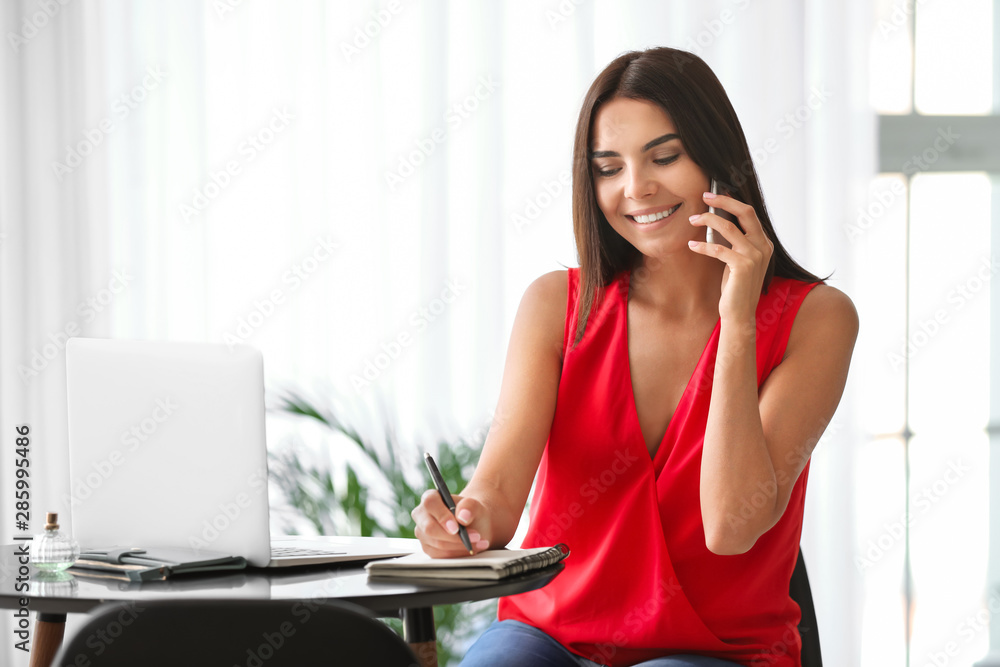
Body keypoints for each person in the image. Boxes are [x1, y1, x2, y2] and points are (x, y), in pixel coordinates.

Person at [411, 46, 858, 667]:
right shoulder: (555, 306)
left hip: (715, 652)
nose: (635, 188)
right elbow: (496, 501)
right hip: (550, 637)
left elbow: (731, 527)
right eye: (607, 167)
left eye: (664, 157)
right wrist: (460, 522)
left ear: (720, 159)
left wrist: (737, 322)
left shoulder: (817, 319)